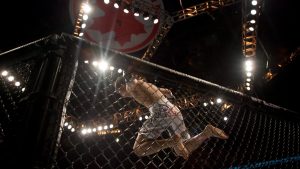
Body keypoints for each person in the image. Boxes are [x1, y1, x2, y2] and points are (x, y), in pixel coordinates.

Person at [115, 76, 229, 160]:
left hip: (160, 111)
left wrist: (128, 80)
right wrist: (170, 96)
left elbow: (131, 83)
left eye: (119, 92)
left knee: (138, 149)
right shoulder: (149, 85)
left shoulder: (131, 84)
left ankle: (172, 141)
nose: (121, 95)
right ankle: (206, 133)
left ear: (121, 87)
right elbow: (167, 91)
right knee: (183, 149)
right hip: (173, 109)